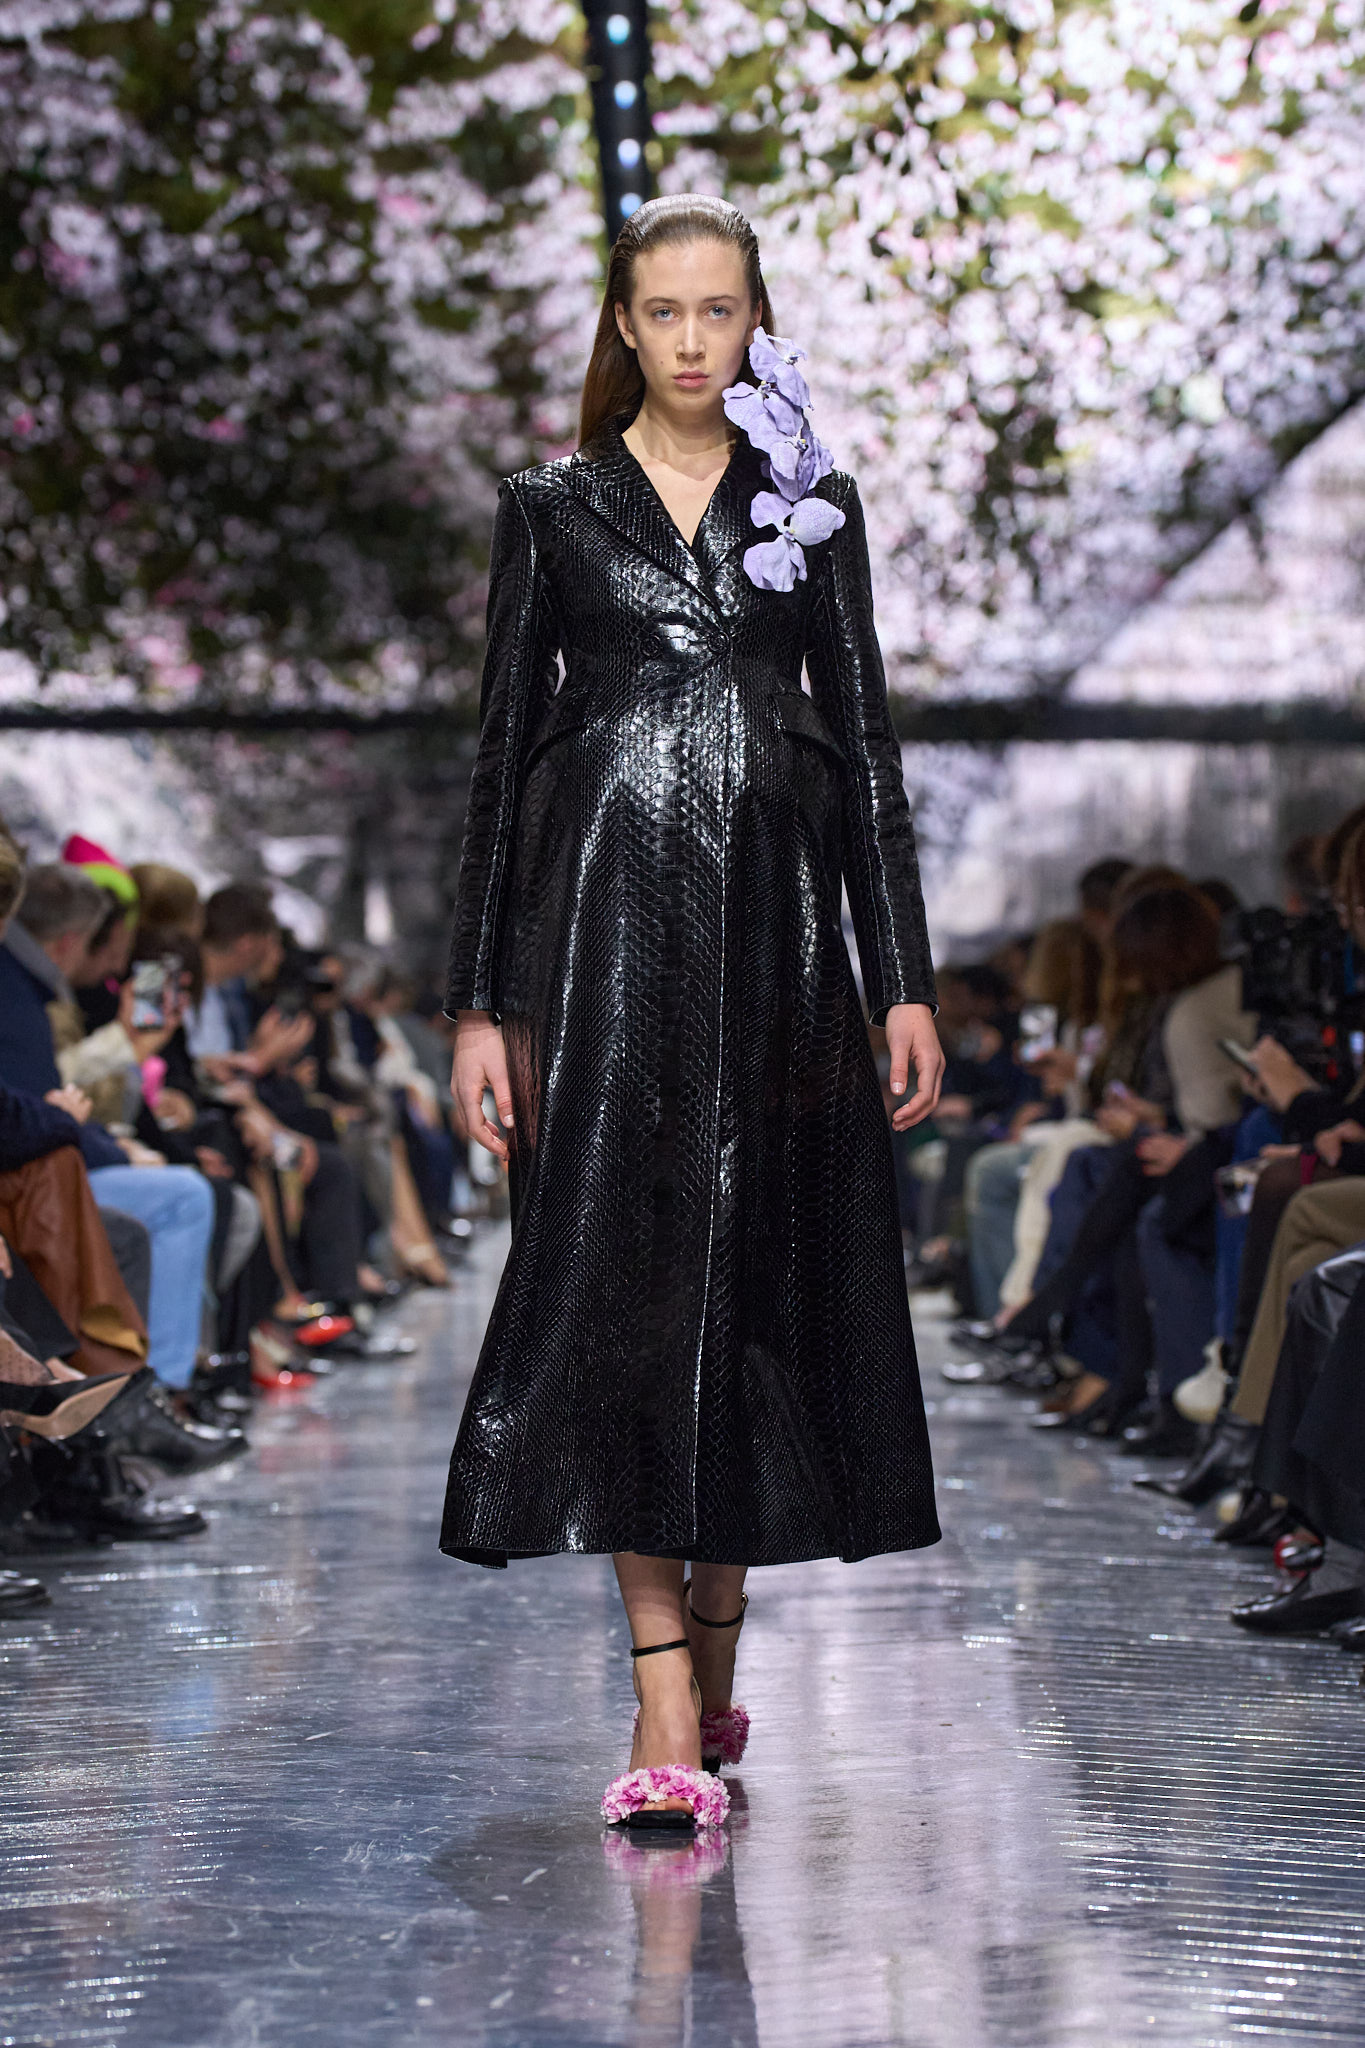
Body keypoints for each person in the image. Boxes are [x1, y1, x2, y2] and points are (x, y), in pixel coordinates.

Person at [440, 194, 944, 1832]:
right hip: (595, 950)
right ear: (622, 324)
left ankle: (711, 1663)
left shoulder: (813, 501)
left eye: (716, 310)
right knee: (622, 1283)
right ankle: (663, 1685)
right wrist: (475, 1007)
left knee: (759, 1284)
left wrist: (901, 977)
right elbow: (499, 765)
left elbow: (865, 748)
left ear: (753, 321)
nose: (688, 339)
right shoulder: (552, 508)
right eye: (660, 311)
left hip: (782, 950)